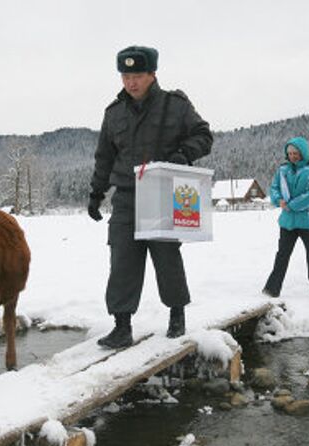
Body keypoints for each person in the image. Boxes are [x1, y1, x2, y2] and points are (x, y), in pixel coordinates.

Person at [88, 45, 213, 349]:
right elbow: (104, 157)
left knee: (166, 257)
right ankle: (121, 327)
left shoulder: (175, 105)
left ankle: (177, 316)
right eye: (126, 75)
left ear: (152, 74)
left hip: (162, 192)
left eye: (138, 75)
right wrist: (96, 193)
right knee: (122, 260)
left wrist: (184, 154)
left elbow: (204, 135)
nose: (131, 82)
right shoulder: (113, 113)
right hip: (126, 197)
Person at [262, 137, 309, 298]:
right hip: (288, 221)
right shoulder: (283, 169)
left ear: (303, 152)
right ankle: (272, 288)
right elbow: (274, 188)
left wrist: (292, 205)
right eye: (290, 153)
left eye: (296, 153)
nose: (293, 156)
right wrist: (278, 200)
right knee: (282, 254)